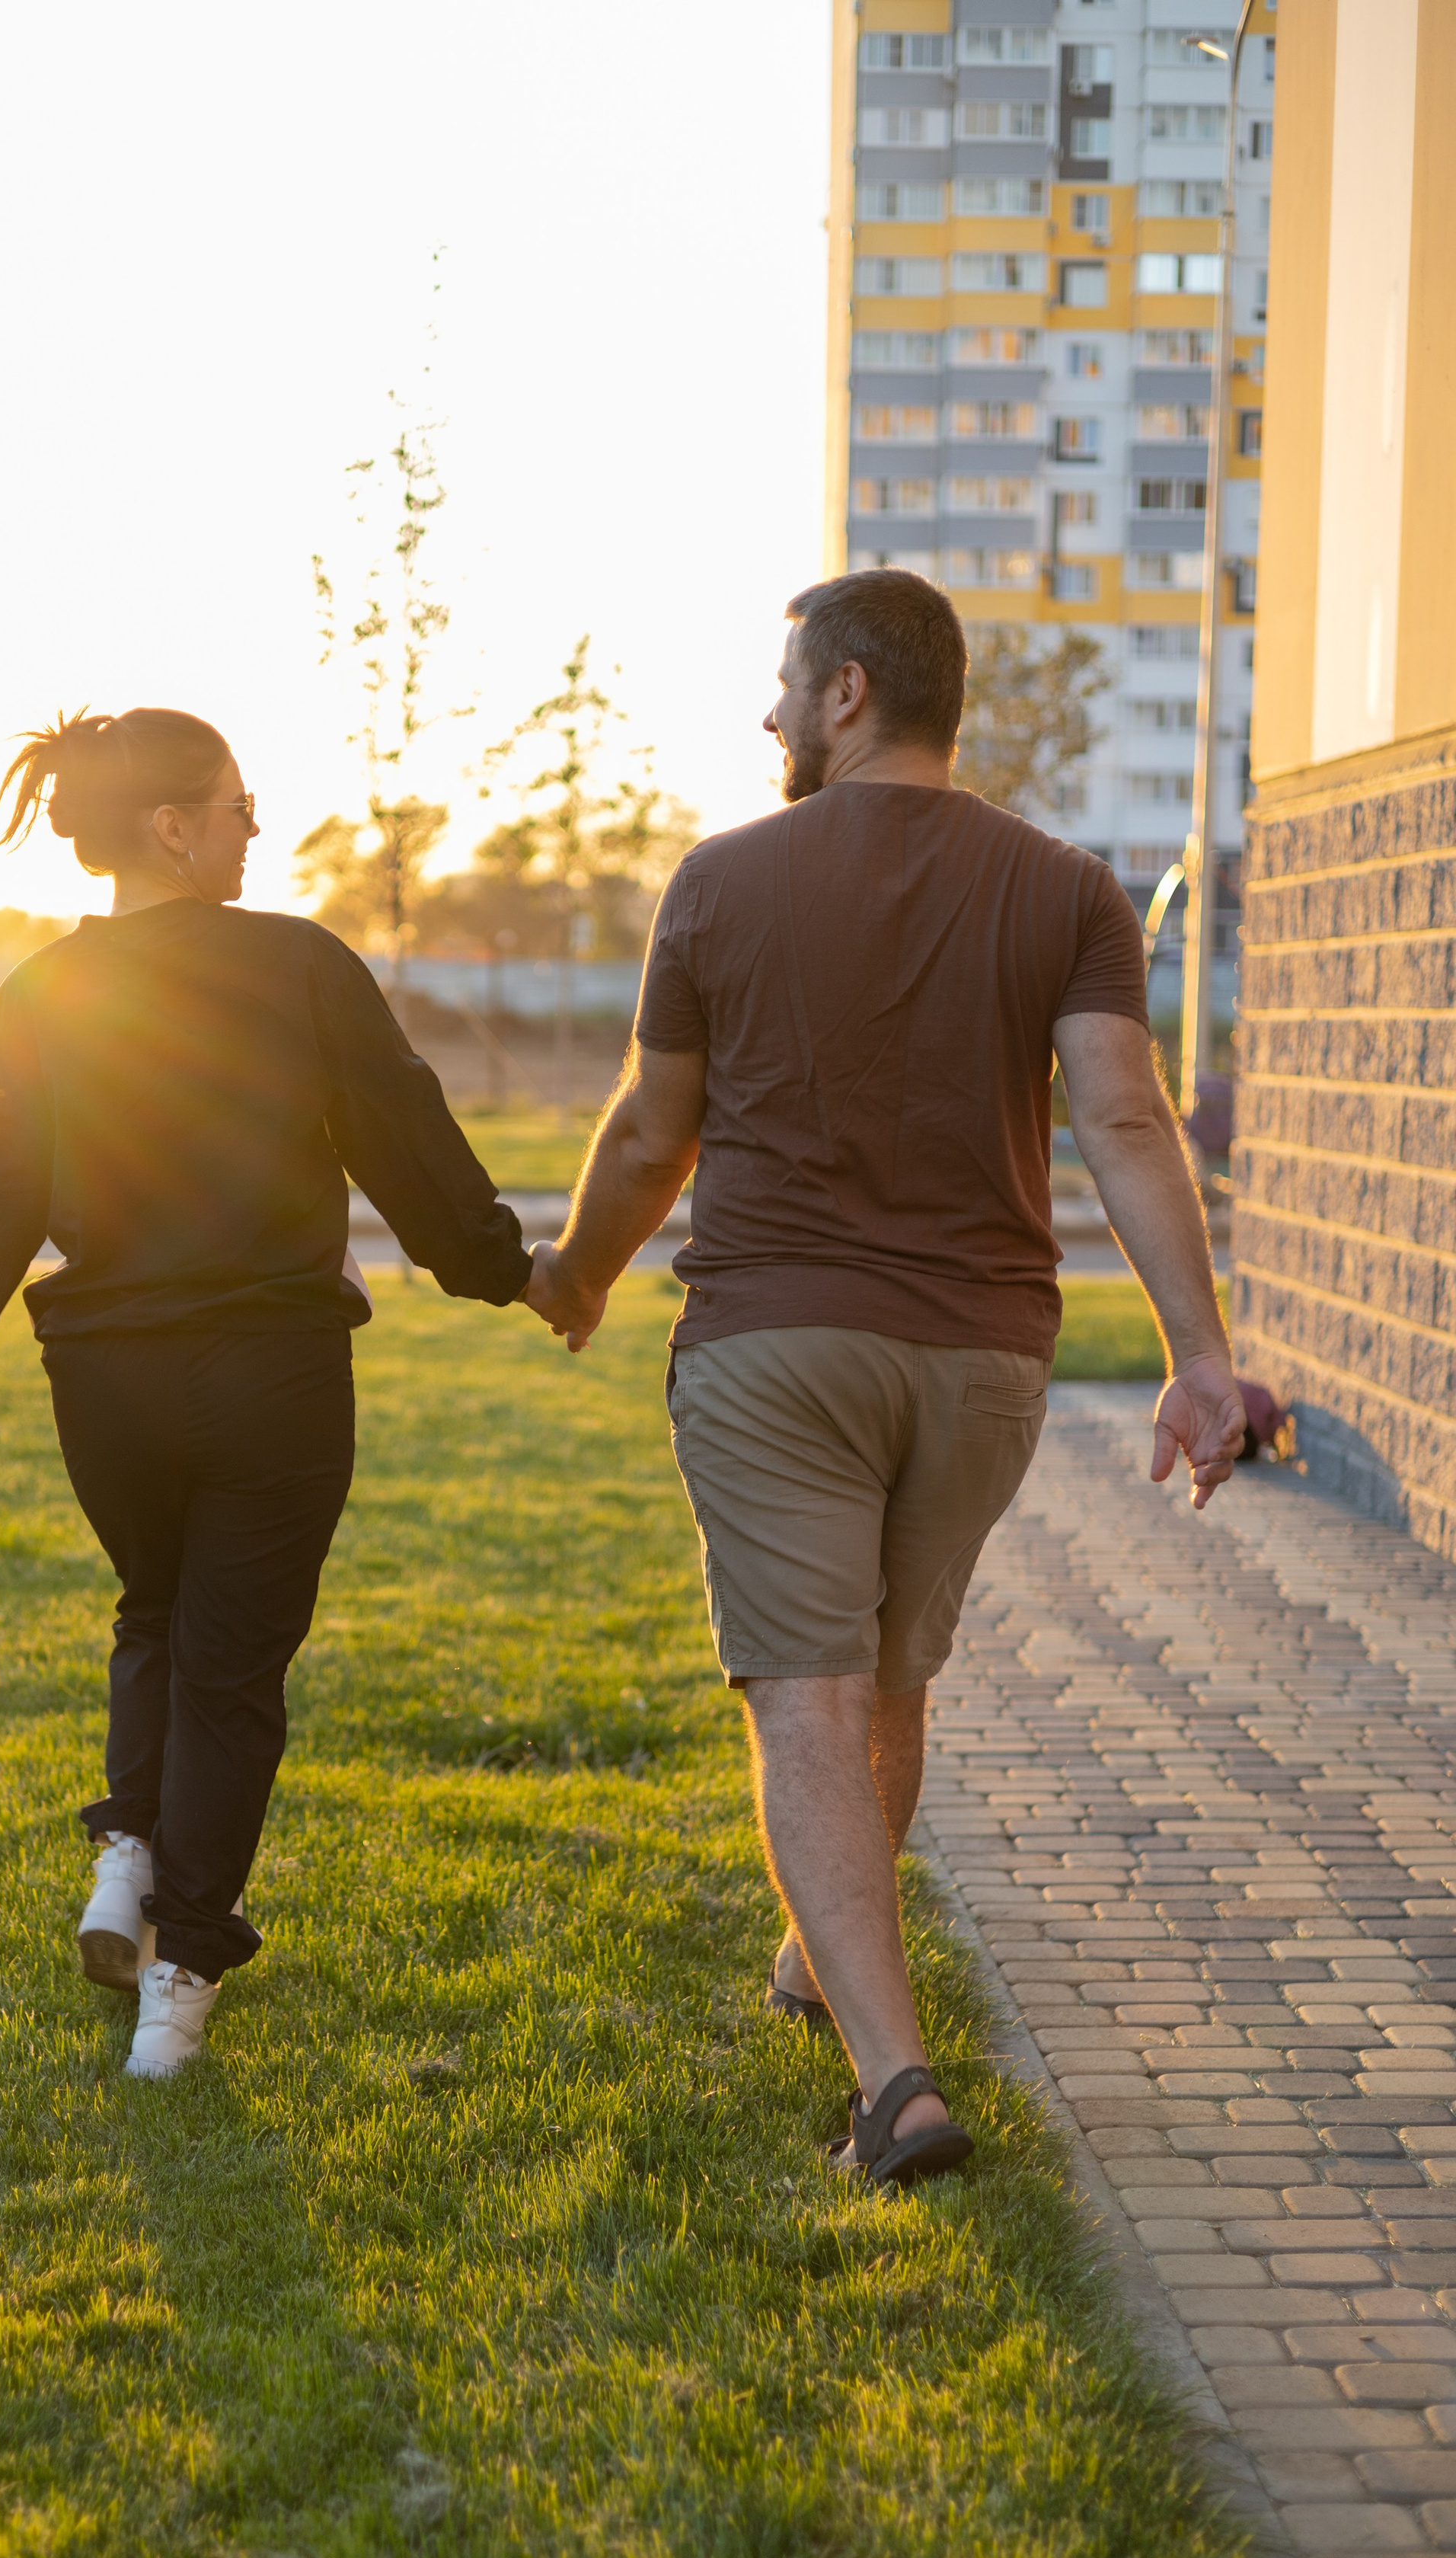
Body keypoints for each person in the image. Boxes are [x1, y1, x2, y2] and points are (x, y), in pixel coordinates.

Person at [525, 571, 1245, 2189]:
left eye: (785, 684)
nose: (768, 714)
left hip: (776, 1346)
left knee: (804, 1695)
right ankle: (814, 1959)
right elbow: (1123, 1125)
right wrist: (1198, 1354)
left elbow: (653, 1133)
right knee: (887, 1681)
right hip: (982, 1362)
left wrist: (572, 1275)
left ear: (847, 692)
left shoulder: (716, 883)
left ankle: (892, 2081)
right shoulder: (1065, 888)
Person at [0, 708, 532, 2077]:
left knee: (155, 1610)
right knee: (232, 1668)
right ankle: (182, 1980)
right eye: (236, 802)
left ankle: (126, 1859)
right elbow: (406, 1137)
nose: (253, 825)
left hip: (102, 1381)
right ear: (171, 825)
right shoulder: (297, 965)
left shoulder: (42, 993)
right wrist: (505, 1270)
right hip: (271, 1373)